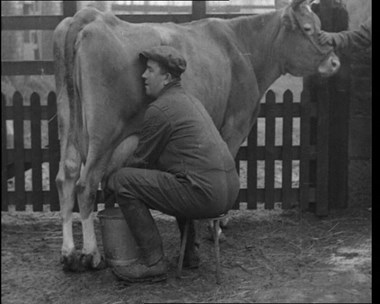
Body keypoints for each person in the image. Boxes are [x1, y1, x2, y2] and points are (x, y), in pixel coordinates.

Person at [106, 45, 240, 283]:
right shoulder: (191, 101)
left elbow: (140, 163)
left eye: (149, 70)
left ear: (166, 77)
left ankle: (153, 263)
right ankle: (191, 253)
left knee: (123, 181)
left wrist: (109, 179)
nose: (143, 76)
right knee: (177, 176)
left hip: (205, 194)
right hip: (227, 190)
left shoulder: (160, 109)